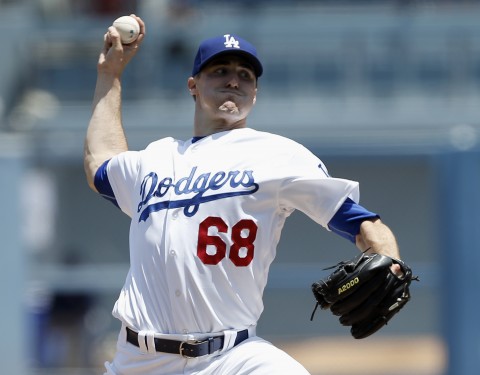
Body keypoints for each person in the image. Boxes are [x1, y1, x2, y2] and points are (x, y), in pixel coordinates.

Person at [84, 14, 403, 375]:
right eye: (220, 70)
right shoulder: (156, 158)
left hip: (232, 357)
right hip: (141, 360)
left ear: (255, 92)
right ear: (193, 85)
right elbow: (101, 163)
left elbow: (360, 221)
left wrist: (390, 258)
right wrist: (109, 74)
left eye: (245, 75)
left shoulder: (278, 155)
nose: (234, 80)